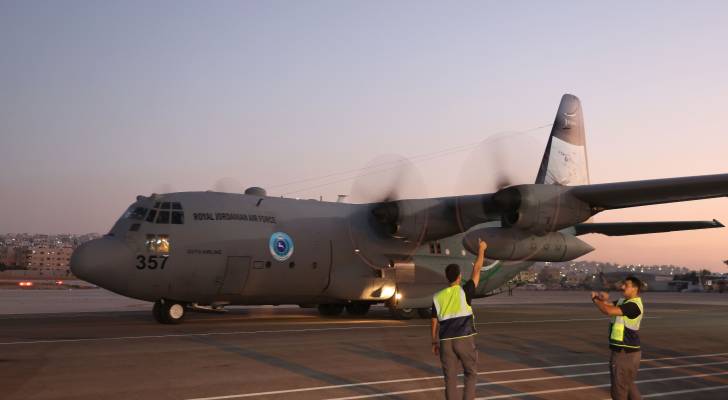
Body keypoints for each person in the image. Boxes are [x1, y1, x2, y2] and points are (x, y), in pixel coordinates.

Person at [431, 238, 487, 400]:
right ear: (459, 276)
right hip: (464, 339)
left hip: (445, 342)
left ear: (447, 277)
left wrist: (434, 341)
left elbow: (434, 320)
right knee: (470, 372)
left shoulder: (437, 297)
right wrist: (482, 249)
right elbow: (477, 269)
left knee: (450, 379)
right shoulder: (465, 291)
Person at [591, 276, 645, 400]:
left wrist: (595, 299)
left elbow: (608, 311)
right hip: (627, 353)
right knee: (629, 386)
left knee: (618, 391)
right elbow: (607, 305)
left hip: (624, 353)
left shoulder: (633, 306)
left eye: (626, 285)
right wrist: (601, 299)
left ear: (635, 289)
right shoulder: (623, 302)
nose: (622, 287)